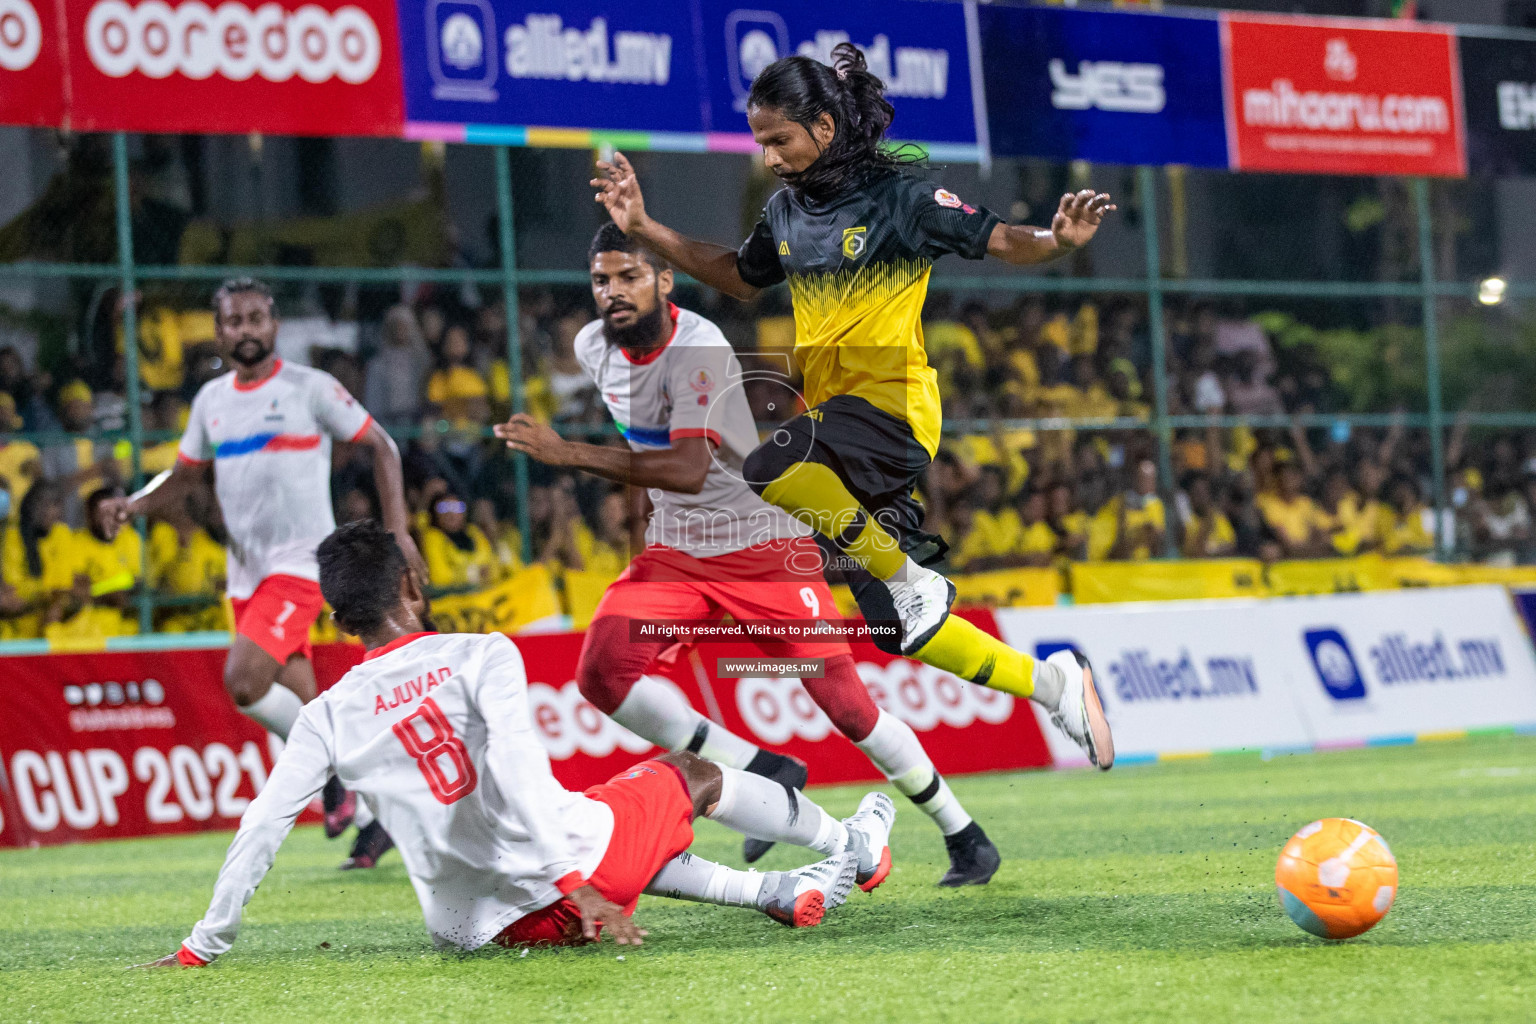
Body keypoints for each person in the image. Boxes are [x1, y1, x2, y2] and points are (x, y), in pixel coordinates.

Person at [591, 43, 1114, 769]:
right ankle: (1056, 685)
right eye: (761, 142)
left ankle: (912, 579)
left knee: (773, 462)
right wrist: (645, 228)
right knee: (906, 633)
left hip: (894, 411)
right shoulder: (783, 211)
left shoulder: (903, 200)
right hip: (838, 439)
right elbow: (740, 278)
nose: (769, 156)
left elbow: (1002, 239)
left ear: (826, 129)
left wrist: (1056, 239)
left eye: (780, 139)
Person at [137, 520, 893, 967]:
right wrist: (573, 882)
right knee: (688, 773)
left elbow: (263, 823)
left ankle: (776, 892)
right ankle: (855, 845)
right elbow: (515, 765)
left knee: (601, 808)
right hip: (563, 886)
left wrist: (204, 943)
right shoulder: (482, 653)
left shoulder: (323, 714)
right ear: (415, 582)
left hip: (470, 927)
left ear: (336, 622)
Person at [495, 224, 997, 886]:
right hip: (678, 551)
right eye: (600, 280)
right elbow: (654, 447)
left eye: (628, 278)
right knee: (602, 672)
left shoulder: (699, 346)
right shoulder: (594, 346)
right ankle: (762, 768)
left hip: (762, 544)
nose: (611, 293)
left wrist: (569, 454)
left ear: (664, 282)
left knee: (848, 708)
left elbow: (689, 465)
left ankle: (965, 835)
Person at [98, 278, 425, 866]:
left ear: (273, 324)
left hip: (301, 567)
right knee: (304, 706)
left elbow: (383, 447)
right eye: (233, 321)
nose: (245, 329)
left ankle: (333, 778)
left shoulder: (311, 388)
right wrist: (135, 503)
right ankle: (383, 814)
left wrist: (398, 532)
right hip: (245, 574)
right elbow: (183, 476)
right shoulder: (211, 402)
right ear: (219, 330)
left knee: (244, 683)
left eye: (255, 318)